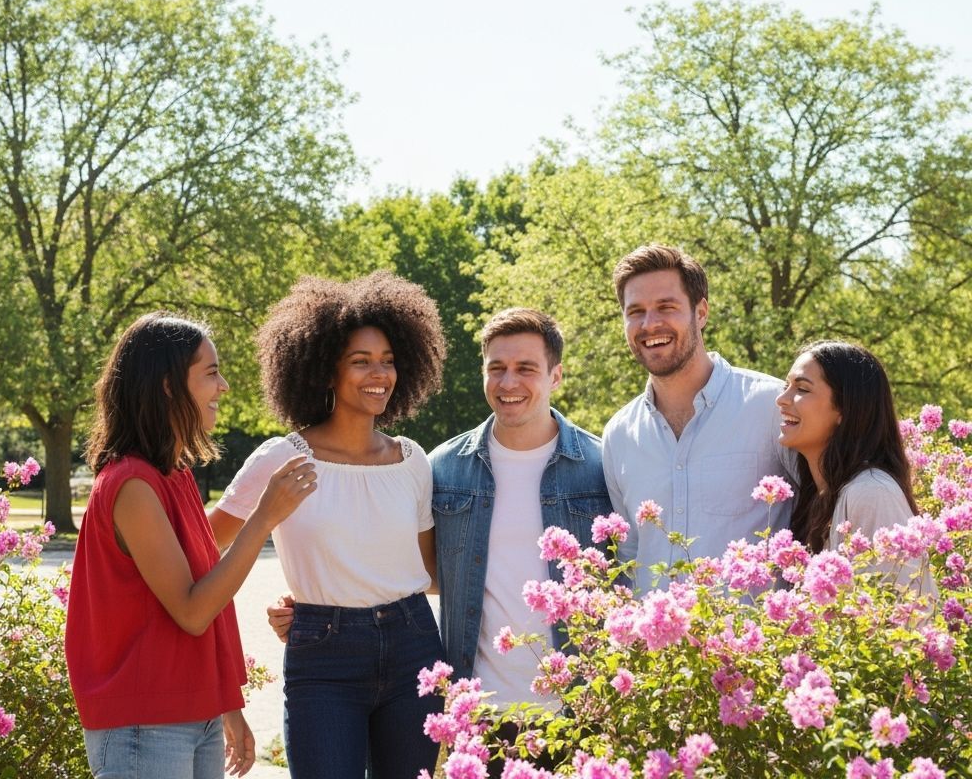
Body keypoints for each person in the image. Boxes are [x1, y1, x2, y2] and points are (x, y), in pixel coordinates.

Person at [209, 271, 447, 779]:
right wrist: (307, 605)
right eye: (360, 362)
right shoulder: (283, 458)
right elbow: (202, 545)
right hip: (324, 658)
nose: (378, 373)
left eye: (387, 361)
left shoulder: (413, 461)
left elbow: (427, 572)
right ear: (324, 372)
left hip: (413, 649)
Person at [66, 312, 315, 779]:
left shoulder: (171, 474)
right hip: (143, 725)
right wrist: (265, 516)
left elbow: (203, 565)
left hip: (187, 714)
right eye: (211, 373)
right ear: (166, 386)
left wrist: (225, 704)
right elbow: (193, 609)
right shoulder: (132, 485)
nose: (222, 387)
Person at [429, 309, 611, 729]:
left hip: (581, 712)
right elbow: (416, 573)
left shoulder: (601, 467)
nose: (508, 383)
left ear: (556, 376)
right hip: (479, 715)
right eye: (497, 369)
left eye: (525, 368)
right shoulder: (444, 469)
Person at [602, 244, 796, 591]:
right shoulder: (618, 435)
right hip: (655, 647)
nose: (650, 324)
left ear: (701, 311)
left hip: (756, 643)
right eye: (636, 312)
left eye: (666, 306)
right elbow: (628, 559)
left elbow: (818, 518)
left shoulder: (772, 406)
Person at [777, 340, 935, 592]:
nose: (781, 399)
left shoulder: (871, 492)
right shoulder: (820, 498)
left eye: (802, 389)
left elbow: (906, 615)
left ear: (845, 408)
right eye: (786, 386)